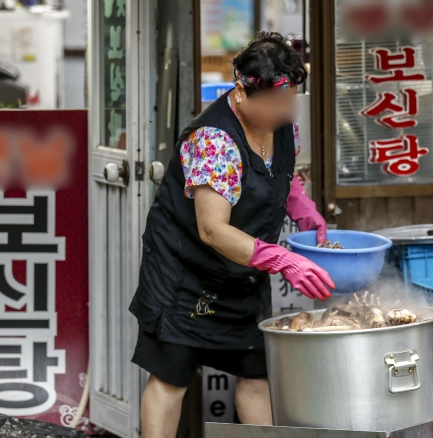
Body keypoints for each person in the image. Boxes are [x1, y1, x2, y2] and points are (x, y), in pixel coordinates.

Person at [129, 32, 334, 438]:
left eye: (291, 97)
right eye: (276, 101)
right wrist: (281, 258)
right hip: (185, 272)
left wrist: (301, 206)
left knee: (256, 371)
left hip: (242, 271)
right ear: (242, 92)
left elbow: (281, 176)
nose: (286, 108)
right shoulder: (214, 139)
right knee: (171, 377)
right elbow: (212, 229)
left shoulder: (282, 124)